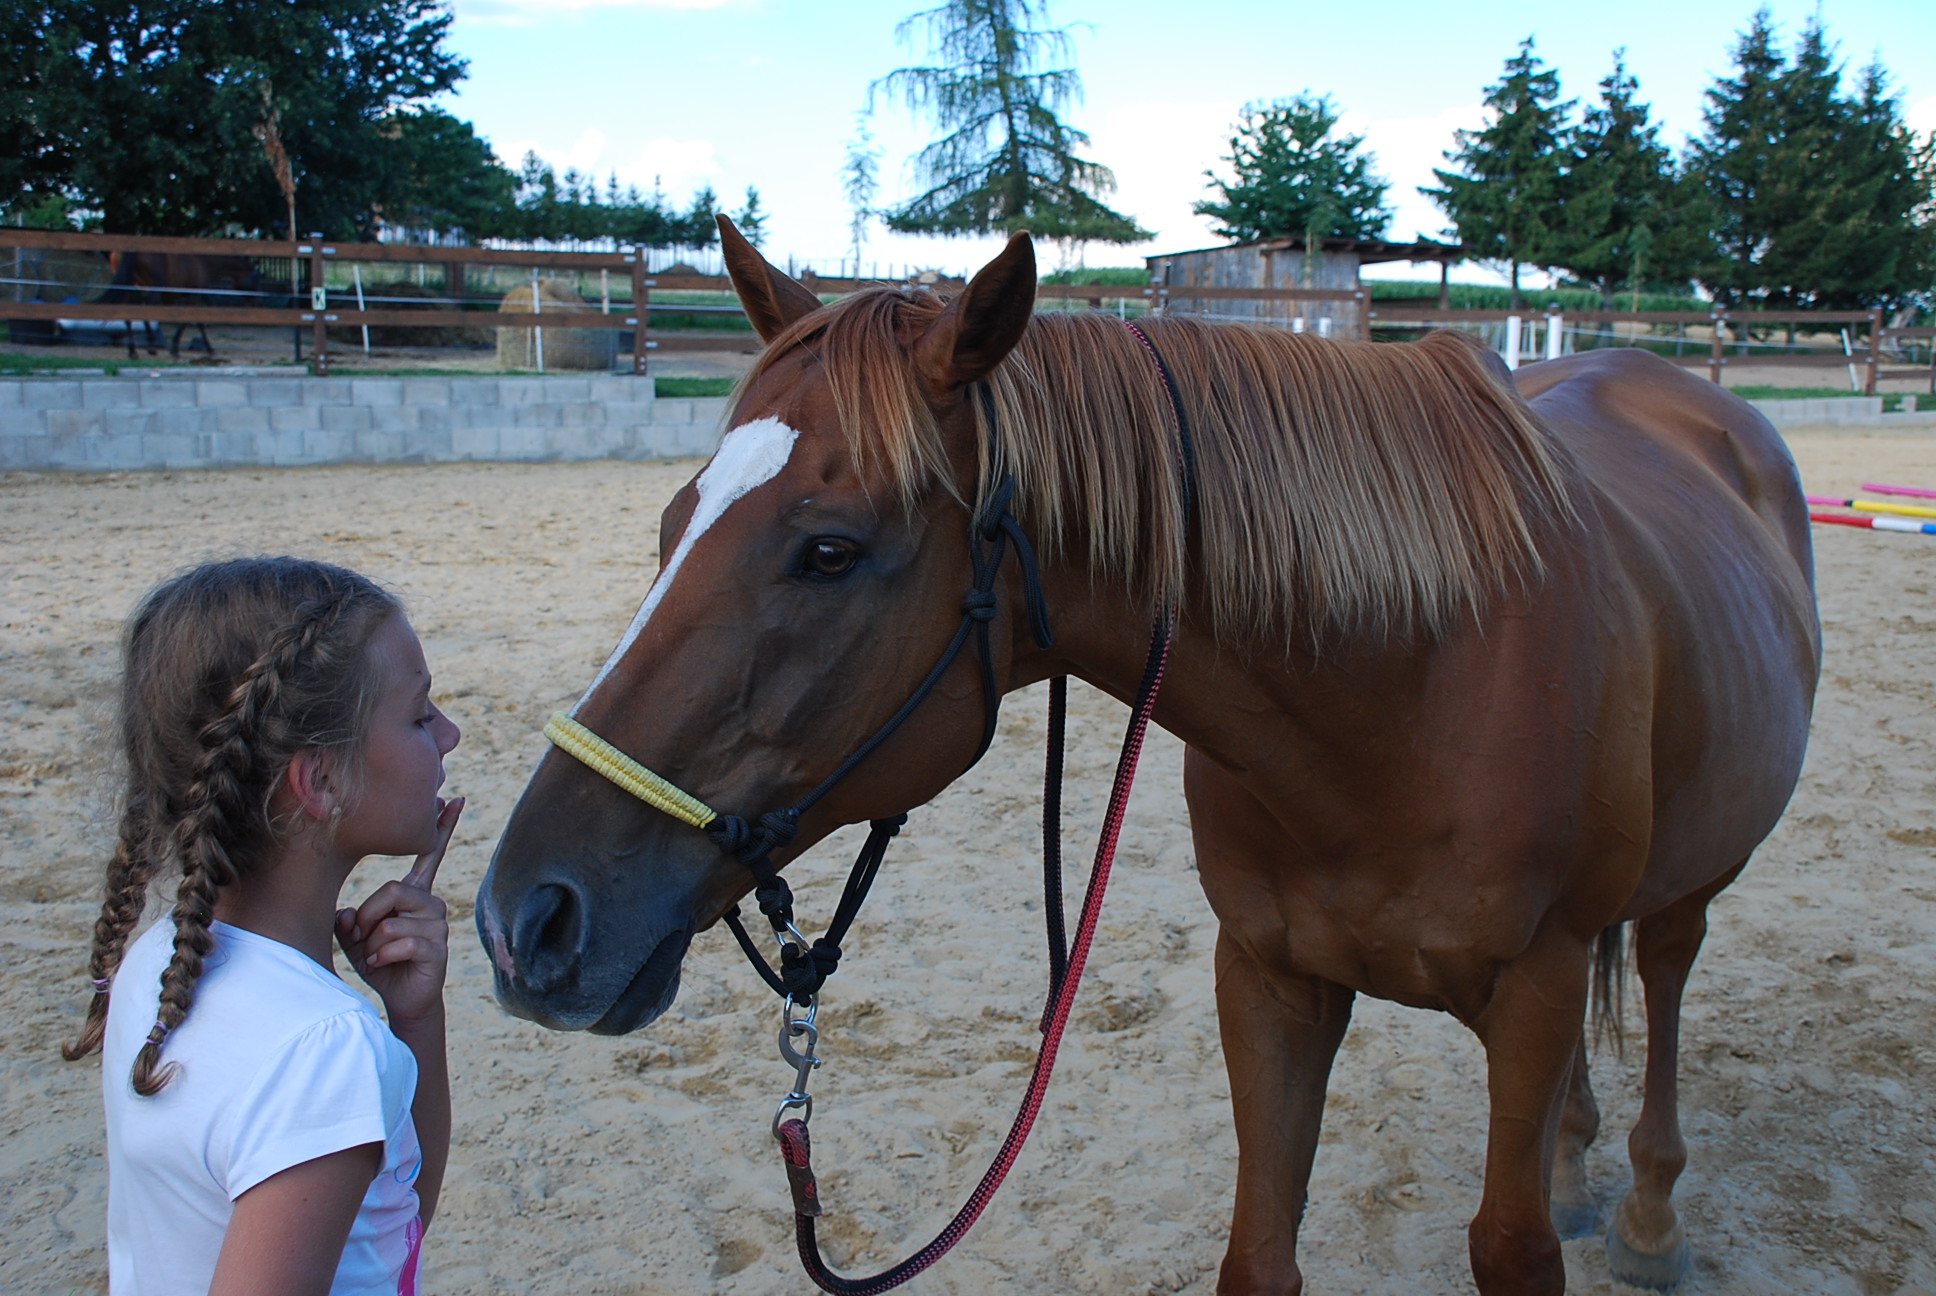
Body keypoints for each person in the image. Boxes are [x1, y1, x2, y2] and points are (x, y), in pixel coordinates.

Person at [63, 556, 464, 1296]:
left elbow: (389, 1224)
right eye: (418, 716)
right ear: (319, 781)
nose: (451, 734)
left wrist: (414, 1020)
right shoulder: (321, 1050)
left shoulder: (156, 965)